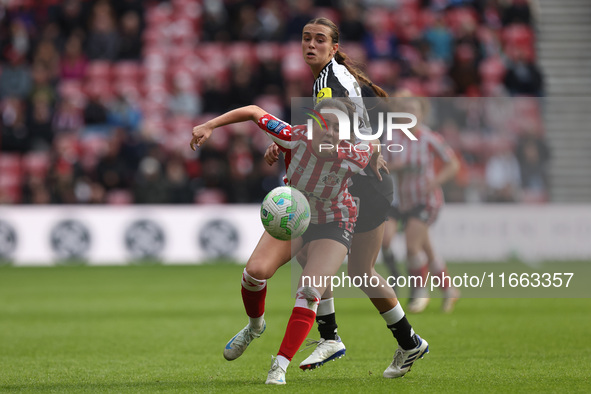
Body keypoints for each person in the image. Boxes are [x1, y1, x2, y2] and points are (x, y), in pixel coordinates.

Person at [265, 17, 429, 378]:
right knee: (319, 253)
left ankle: (375, 339)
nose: (310, 44)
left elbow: (334, 128)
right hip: (354, 178)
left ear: (334, 48)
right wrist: (287, 142)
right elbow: (340, 125)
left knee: (356, 268)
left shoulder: (329, 83)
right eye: (306, 38)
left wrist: (368, 151)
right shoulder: (333, 77)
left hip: (363, 184)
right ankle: (390, 340)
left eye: (319, 40)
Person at [190, 98, 377, 385]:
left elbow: (372, 148)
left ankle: (279, 366)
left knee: (310, 289)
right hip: (296, 216)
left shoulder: (354, 154)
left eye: (337, 127)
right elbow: (254, 112)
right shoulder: (292, 137)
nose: (329, 131)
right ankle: (255, 327)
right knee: (254, 273)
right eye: (324, 124)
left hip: (334, 221)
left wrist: (377, 159)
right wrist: (209, 125)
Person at [385, 94, 461, 313]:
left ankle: (419, 292)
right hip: (406, 202)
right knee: (427, 249)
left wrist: (435, 181)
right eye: (405, 110)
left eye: (413, 110)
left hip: (427, 201)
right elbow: (383, 166)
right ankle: (448, 290)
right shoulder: (393, 139)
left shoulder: (429, 138)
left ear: (421, 114)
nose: (409, 114)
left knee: (411, 246)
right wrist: (394, 167)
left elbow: (452, 164)